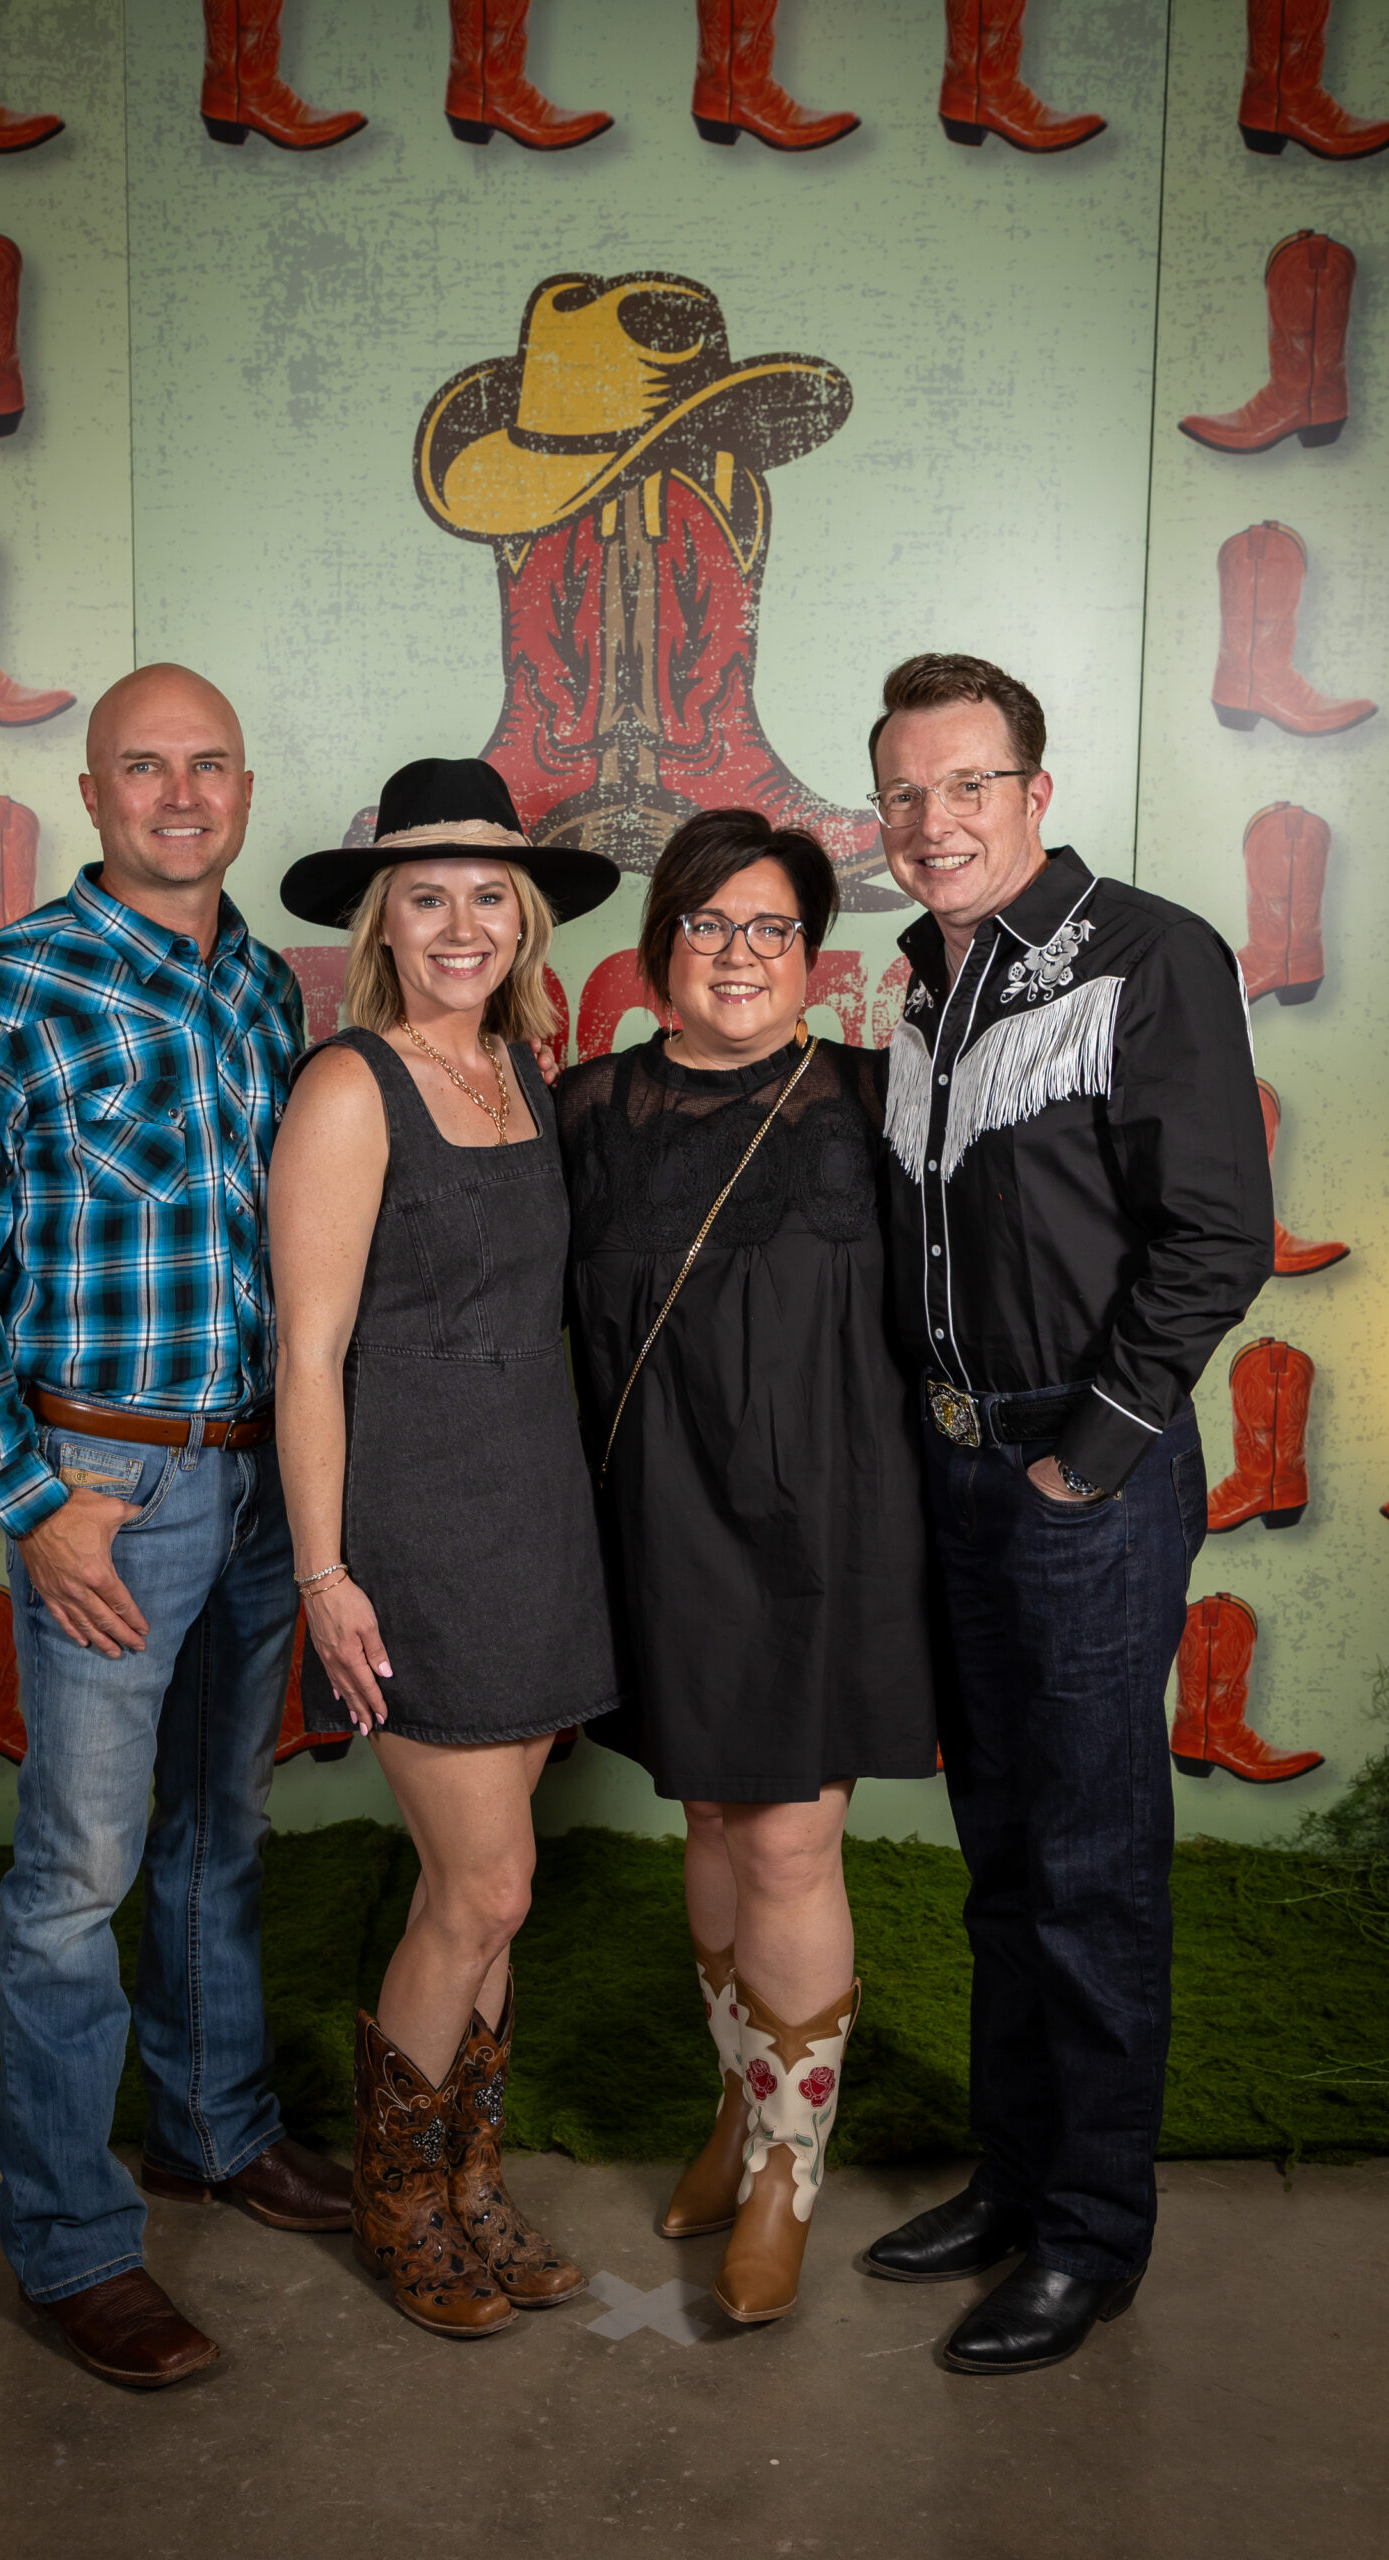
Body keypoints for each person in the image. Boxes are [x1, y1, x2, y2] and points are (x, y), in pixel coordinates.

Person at [0, 664, 353, 2392]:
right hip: (108, 1485)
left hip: (257, 1479)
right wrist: (33, 1505)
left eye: (208, 763)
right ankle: (73, 2242)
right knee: (76, 1875)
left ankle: (213, 2131)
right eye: (143, 766)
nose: (179, 793)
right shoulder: (6, 990)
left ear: (245, 789)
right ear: (89, 793)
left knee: (221, 1826)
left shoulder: (263, 989)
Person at [859, 652, 1273, 2374]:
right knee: (1008, 1856)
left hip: (1077, 1470)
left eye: (969, 785)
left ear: (1036, 792)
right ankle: (1016, 2181)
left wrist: (1083, 1455)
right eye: (906, 792)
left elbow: (1218, 1233)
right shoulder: (919, 985)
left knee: (1092, 1864)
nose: (934, 820)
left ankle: (1093, 2237)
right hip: (956, 1465)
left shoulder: (1148, 955)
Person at [556, 808, 941, 2327]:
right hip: (662, 1521)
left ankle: (788, 2165)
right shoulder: (586, 1111)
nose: (738, 953)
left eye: (770, 927)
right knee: (713, 1818)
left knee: (787, 1840)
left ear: (813, 955)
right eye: (708, 924)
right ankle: (738, 2103)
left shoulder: (879, 1099)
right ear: (660, 949)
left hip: (834, 1532)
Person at [270, 755, 622, 2340]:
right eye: (429, 897)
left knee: (496, 1890)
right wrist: (326, 1573)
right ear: (383, 924)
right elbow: (308, 1353)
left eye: (490, 894)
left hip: (537, 1511)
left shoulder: (526, 1073)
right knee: (482, 1887)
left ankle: (471, 2182)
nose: (463, 923)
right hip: (417, 1521)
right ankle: (401, 2200)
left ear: (526, 919)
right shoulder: (351, 1087)